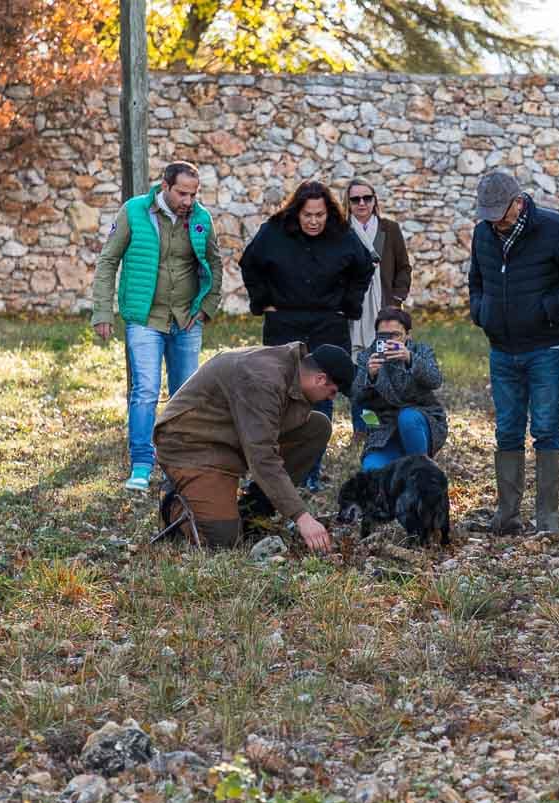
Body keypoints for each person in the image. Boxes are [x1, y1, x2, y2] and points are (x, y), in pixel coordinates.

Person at [468, 170, 559, 534]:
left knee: (545, 428)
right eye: (488, 215)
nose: (494, 222)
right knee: (507, 431)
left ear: (518, 202)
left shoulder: (556, 229)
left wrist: (548, 309)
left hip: (546, 347)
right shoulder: (482, 233)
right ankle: (507, 515)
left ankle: (547, 519)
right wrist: (481, 311)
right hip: (501, 348)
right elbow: (476, 280)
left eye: (500, 213)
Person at [91, 161, 223, 493]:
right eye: (182, 193)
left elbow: (215, 264)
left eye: (193, 194)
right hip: (145, 318)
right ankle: (141, 464)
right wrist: (103, 311)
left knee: (185, 394)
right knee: (146, 390)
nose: (188, 201)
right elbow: (108, 260)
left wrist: (206, 308)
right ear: (164, 186)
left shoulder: (201, 219)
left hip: (186, 320)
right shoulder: (134, 212)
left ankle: (177, 466)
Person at [152, 342, 356, 551]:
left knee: (318, 427)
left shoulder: (293, 369)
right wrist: (301, 517)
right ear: (319, 379)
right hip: (190, 445)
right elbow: (262, 457)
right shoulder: (263, 380)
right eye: (332, 392)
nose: (332, 398)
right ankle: (172, 503)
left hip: (229, 438)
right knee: (223, 541)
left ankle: (255, 507)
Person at [239, 180, 375, 490]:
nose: (314, 221)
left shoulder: (343, 234)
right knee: (281, 396)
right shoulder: (274, 231)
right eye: (307, 215)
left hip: (328, 324)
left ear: (329, 213)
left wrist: (349, 305)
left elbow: (364, 268)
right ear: (296, 212)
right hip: (284, 324)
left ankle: (310, 473)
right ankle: (276, 472)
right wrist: (263, 302)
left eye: (320, 215)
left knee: (321, 398)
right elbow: (250, 264)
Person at [342, 178, 413, 440]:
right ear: (348, 203)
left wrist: (396, 299)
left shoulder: (389, 229)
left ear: (374, 200)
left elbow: (404, 267)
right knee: (359, 370)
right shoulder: (341, 232)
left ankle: (386, 427)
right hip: (354, 312)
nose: (362, 203)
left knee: (387, 365)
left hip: (384, 311)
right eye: (355, 199)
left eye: (367, 198)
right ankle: (362, 429)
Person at [351, 307, 447, 471]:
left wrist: (409, 358)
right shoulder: (367, 356)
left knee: (407, 417)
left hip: (419, 421)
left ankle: (421, 470)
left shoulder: (421, 351)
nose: (389, 341)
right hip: (385, 430)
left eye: (395, 335)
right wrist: (370, 376)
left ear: (408, 335)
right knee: (372, 469)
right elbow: (356, 397)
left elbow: (435, 380)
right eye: (383, 336)